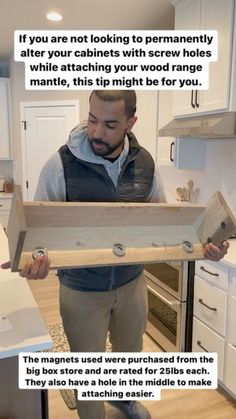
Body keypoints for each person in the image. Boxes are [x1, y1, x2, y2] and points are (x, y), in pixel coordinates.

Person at [1, 90, 229, 419]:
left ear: (130, 122)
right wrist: (32, 263)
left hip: (131, 283)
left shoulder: (146, 164)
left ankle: (124, 402)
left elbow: (165, 225)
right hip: (81, 289)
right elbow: (38, 233)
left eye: (109, 125)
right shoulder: (60, 163)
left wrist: (204, 247)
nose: (96, 132)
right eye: (92, 120)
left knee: (129, 356)